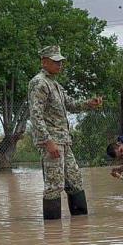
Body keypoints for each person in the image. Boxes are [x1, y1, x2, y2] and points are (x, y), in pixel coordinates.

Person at [28, 45, 102, 220]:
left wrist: (89, 103)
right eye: (55, 62)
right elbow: (36, 115)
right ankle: (53, 237)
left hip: (64, 141)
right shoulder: (39, 83)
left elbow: (71, 104)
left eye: (61, 62)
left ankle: (80, 229)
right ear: (44, 62)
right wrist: (48, 141)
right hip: (52, 142)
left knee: (75, 181)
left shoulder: (55, 84)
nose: (59, 65)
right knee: (54, 185)